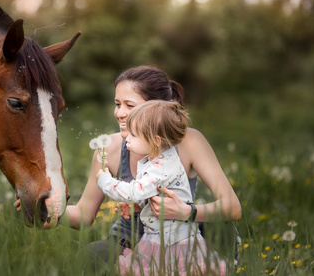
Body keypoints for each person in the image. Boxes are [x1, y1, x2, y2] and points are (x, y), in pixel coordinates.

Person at [15, 66, 242, 271]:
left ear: (156, 108)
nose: (119, 113)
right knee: (92, 255)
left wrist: (186, 211)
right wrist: (49, 209)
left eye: (129, 105)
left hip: (182, 238)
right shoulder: (109, 149)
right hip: (131, 241)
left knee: (222, 230)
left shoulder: (190, 142)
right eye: (117, 104)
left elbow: (232, 207)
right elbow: (84, 215)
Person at [96, 99, 226, 275]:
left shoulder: (162, 168)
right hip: (160, 238)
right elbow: (156, 194)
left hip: (173, 243)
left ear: (156, 141)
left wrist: (105, 180)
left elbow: (133, 191)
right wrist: (139, 205)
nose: (127, 138)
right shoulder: (158, 160)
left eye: (134, 135)